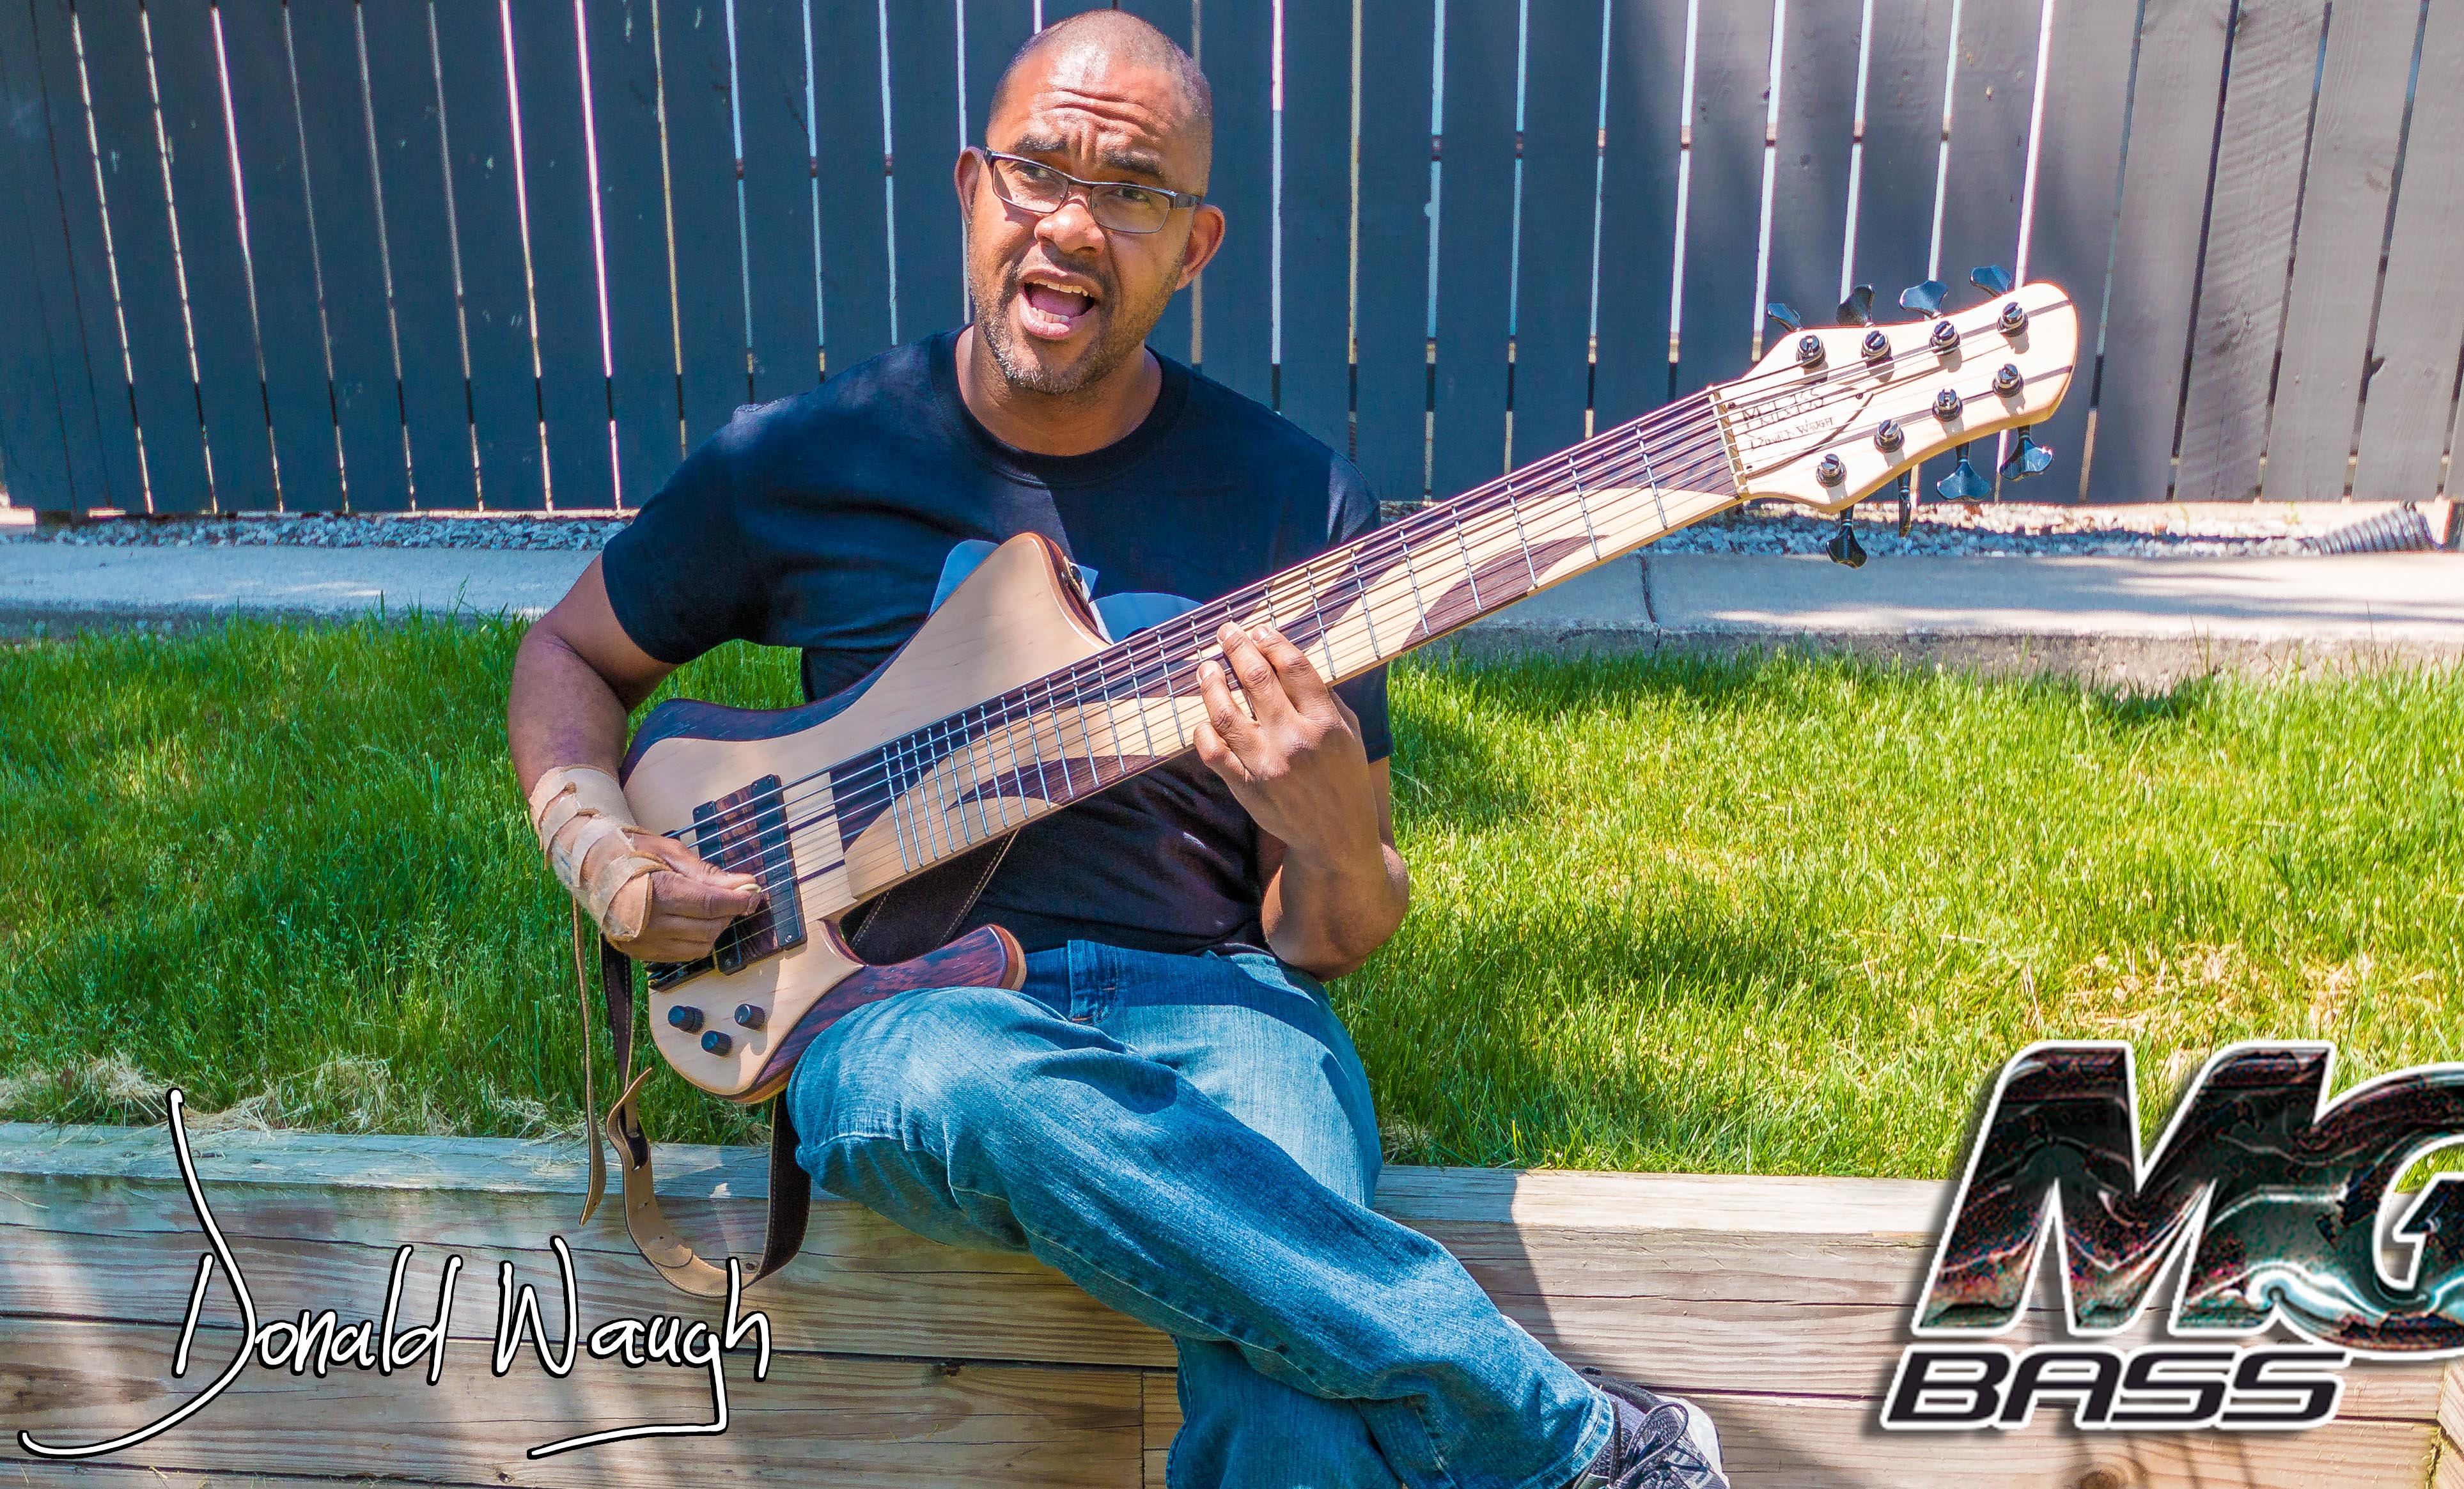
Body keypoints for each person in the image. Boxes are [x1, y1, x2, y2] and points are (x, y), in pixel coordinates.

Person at [503, 12, 1731, 1487]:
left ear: (1194, 246)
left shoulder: (1295, 503)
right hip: (895, 1008)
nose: (1074, 225)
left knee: (1294, 1413)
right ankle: (1566, 1440)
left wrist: (1330, 830)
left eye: (1133, 192)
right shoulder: (806, 458)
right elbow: (569, 654)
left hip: (1219, 1000)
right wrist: (599, 846)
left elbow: (1330, 934)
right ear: (973, 189)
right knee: (977, 1079)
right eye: (1039, 170)